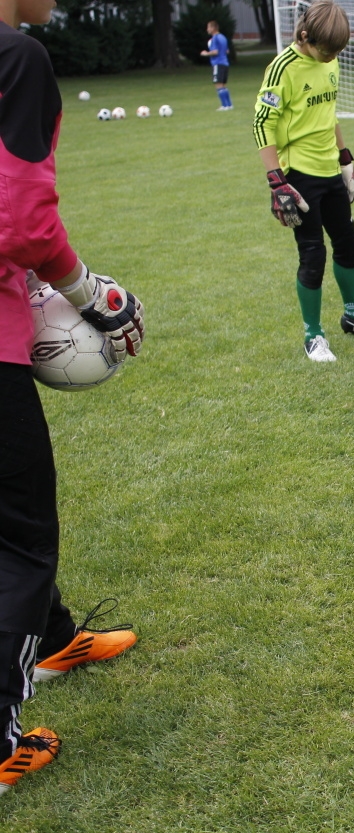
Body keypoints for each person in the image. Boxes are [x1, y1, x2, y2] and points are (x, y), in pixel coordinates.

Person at [1, 0, 144, 797]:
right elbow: (22, 220)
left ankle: (55, 637)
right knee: (21, 538)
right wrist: (91, 295)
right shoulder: (16, 57)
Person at [253, 0, 354, 363]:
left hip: (330, 168)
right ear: (304, 36)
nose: (331, 57)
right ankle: (313, 336)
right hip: (298, 176)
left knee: (348, 241)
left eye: (336, 52)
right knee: (313, 253)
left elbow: (328, 113)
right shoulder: (282, 68)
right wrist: (276, 181)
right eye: (326, 50)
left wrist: (345, 156)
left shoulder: (329, 60)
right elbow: (261, 124)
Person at [200, 20, 232, 111]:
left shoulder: (215, 38)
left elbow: (215, 52)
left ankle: (224, 106)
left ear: (213, 28)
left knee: (218, 85)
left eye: (208, 27)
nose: (207, 29)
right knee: (223, 85)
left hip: (218, 63)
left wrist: (205, 53)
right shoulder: (223, 37)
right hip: (225, 63)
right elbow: (227, 51)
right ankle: (229, 105)